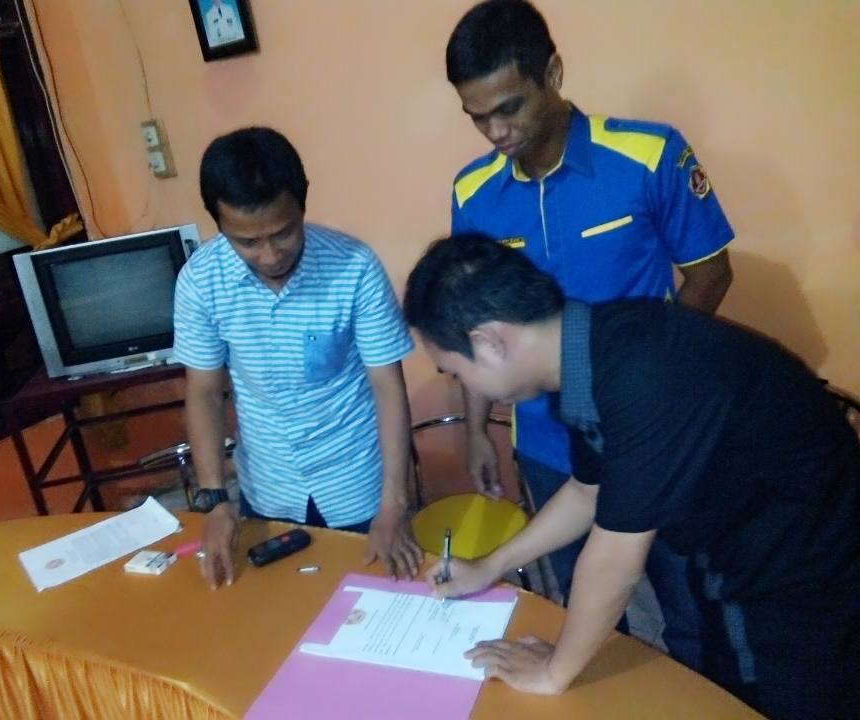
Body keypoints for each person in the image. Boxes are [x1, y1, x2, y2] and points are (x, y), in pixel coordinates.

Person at [403, 233, 860, 720]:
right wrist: (490, 566)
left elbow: (615, 562)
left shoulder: (640, 373)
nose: (464, 386)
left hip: (801, 573)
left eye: (456, 372)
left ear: (489, 342)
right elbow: (587, 493)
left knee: (776, 700)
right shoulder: (591, 350)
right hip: (737, 552)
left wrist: (554, 672)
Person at [444, 0, 735, 669]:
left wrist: (656, 382)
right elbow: (475, 320)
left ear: (552, 73)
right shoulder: (473, 193)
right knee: (585, 603)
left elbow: (711, 274)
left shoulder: (649, 155)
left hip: (654, 436)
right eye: (477, 117)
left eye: (509, 108)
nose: (496, 131)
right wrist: (477, 427)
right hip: (549, 443)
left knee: (689, 604)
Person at [173, 127, 423, 589]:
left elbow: (388, 387)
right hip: (268, 485)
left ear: (302, 203)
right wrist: (215, 499)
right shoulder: (200, 282)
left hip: (357, 480)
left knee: (371, 604)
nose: (269, 255)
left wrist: (395, 502)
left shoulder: (355, 267)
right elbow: (204, 392)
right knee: (282, 604)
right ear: (219, 225)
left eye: (283, 233)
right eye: (247, 242)